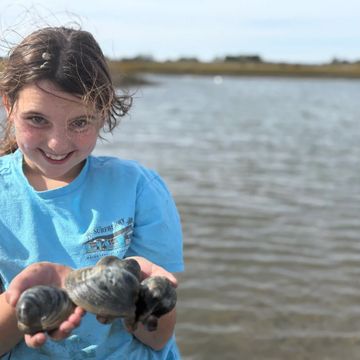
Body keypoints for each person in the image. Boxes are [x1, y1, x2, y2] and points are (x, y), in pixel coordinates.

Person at [0, 26, 184, 359]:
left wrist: (137, 293)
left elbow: (158, 338)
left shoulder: (140, 188)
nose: (57, 143)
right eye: (37, 119)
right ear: (8, 105)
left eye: (80, 122)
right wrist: (29, 297)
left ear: (103, 114)